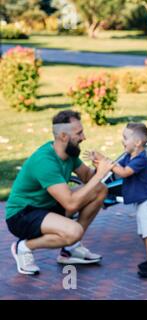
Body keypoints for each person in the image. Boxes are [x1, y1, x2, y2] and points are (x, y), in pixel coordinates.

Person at [5, 110, 115, 275]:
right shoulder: (45, 161)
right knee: (74, 231)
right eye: (79, 133)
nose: (84, 137)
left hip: (47, 206)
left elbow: (87, 178)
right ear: (64, 136)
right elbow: (70, 203)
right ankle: (24, 247)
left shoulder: (69, 153)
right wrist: (99, 175)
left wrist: (99, 167)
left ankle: (70, 248)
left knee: (100, 190)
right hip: (22, 215)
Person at [87, 122, 147, 278]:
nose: (122, 141)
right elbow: (115, 168)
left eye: (125, 137)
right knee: (144, 233)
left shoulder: (140, 159)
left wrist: (106, 160)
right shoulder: (129, 156)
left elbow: (123, 172)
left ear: (137, 143)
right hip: (142, 202)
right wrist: (101, 163)